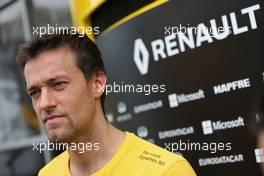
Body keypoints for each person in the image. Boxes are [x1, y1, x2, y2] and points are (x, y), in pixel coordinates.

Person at [16, 32, 197, 176]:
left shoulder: (166, 171)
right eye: (35, 92)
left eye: (58, 84)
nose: (45, 103)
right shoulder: (47, 173)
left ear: (97, 84)